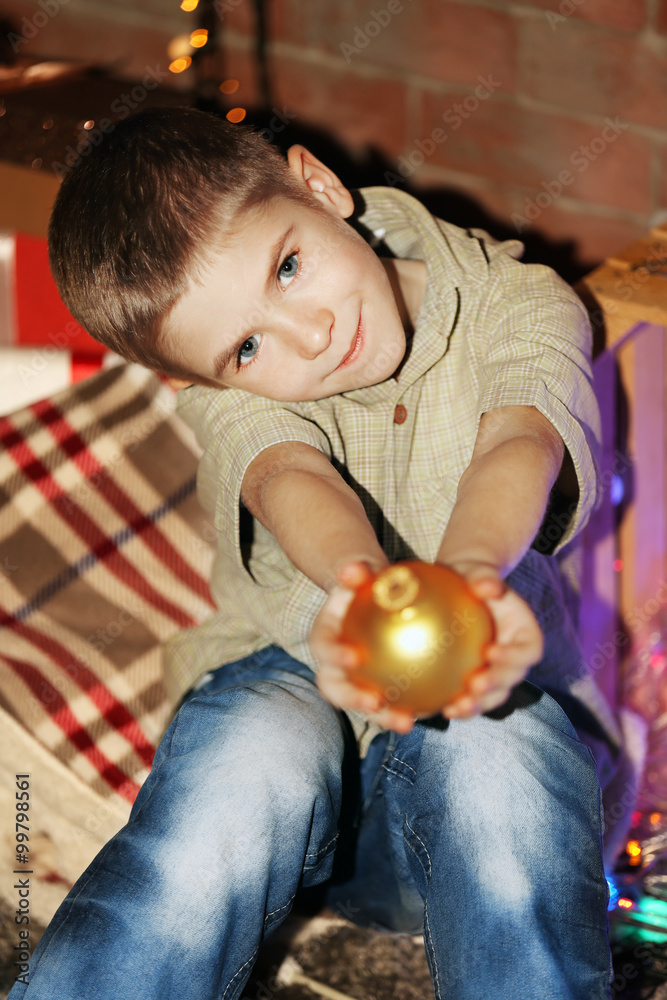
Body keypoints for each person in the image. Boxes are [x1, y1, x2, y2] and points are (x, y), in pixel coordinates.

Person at [11, 106, 616, 999]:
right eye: (248, 347)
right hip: (291, 694)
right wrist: (357, 585)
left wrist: (470, 583)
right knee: (249, 755)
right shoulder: (226, 394)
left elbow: (516, 443)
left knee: (497, 756)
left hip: (460, 784)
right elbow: (289, 476)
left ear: (318, 187)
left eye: (288, 267)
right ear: (200, 377)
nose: (312, 334)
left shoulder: (517, 301)